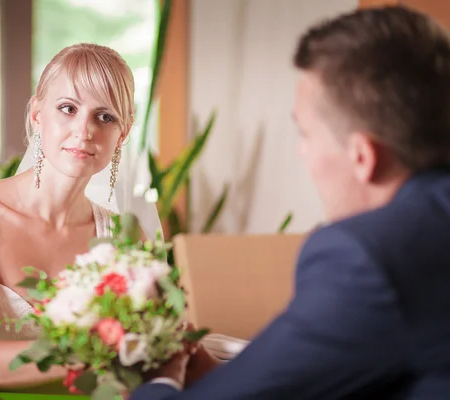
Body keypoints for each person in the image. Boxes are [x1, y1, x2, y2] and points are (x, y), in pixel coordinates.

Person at [131, 5, 450, 399]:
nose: (303, 153)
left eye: (306, 134)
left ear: (362, 157)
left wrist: (158, 375)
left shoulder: (364, 259)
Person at [0, 43, 161, 391]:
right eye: (68, 108)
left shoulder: (125, 240)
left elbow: (152, 358)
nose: (84, 131)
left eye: (105, 117)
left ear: (122, 134)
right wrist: (110, 349)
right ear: (37, 115)